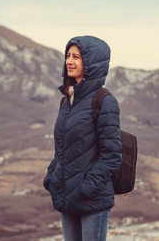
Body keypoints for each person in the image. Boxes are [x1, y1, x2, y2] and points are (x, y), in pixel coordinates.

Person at [43, 36, 122, 241]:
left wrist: (87, 189)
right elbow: (61, 150)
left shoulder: (104, 101)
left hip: (91, 200)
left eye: (76, 57)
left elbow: (111, 155)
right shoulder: (67, 101)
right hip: (66, 196)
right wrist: (52, 177)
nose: (69, 61)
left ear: (92, 62)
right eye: (68, 55)